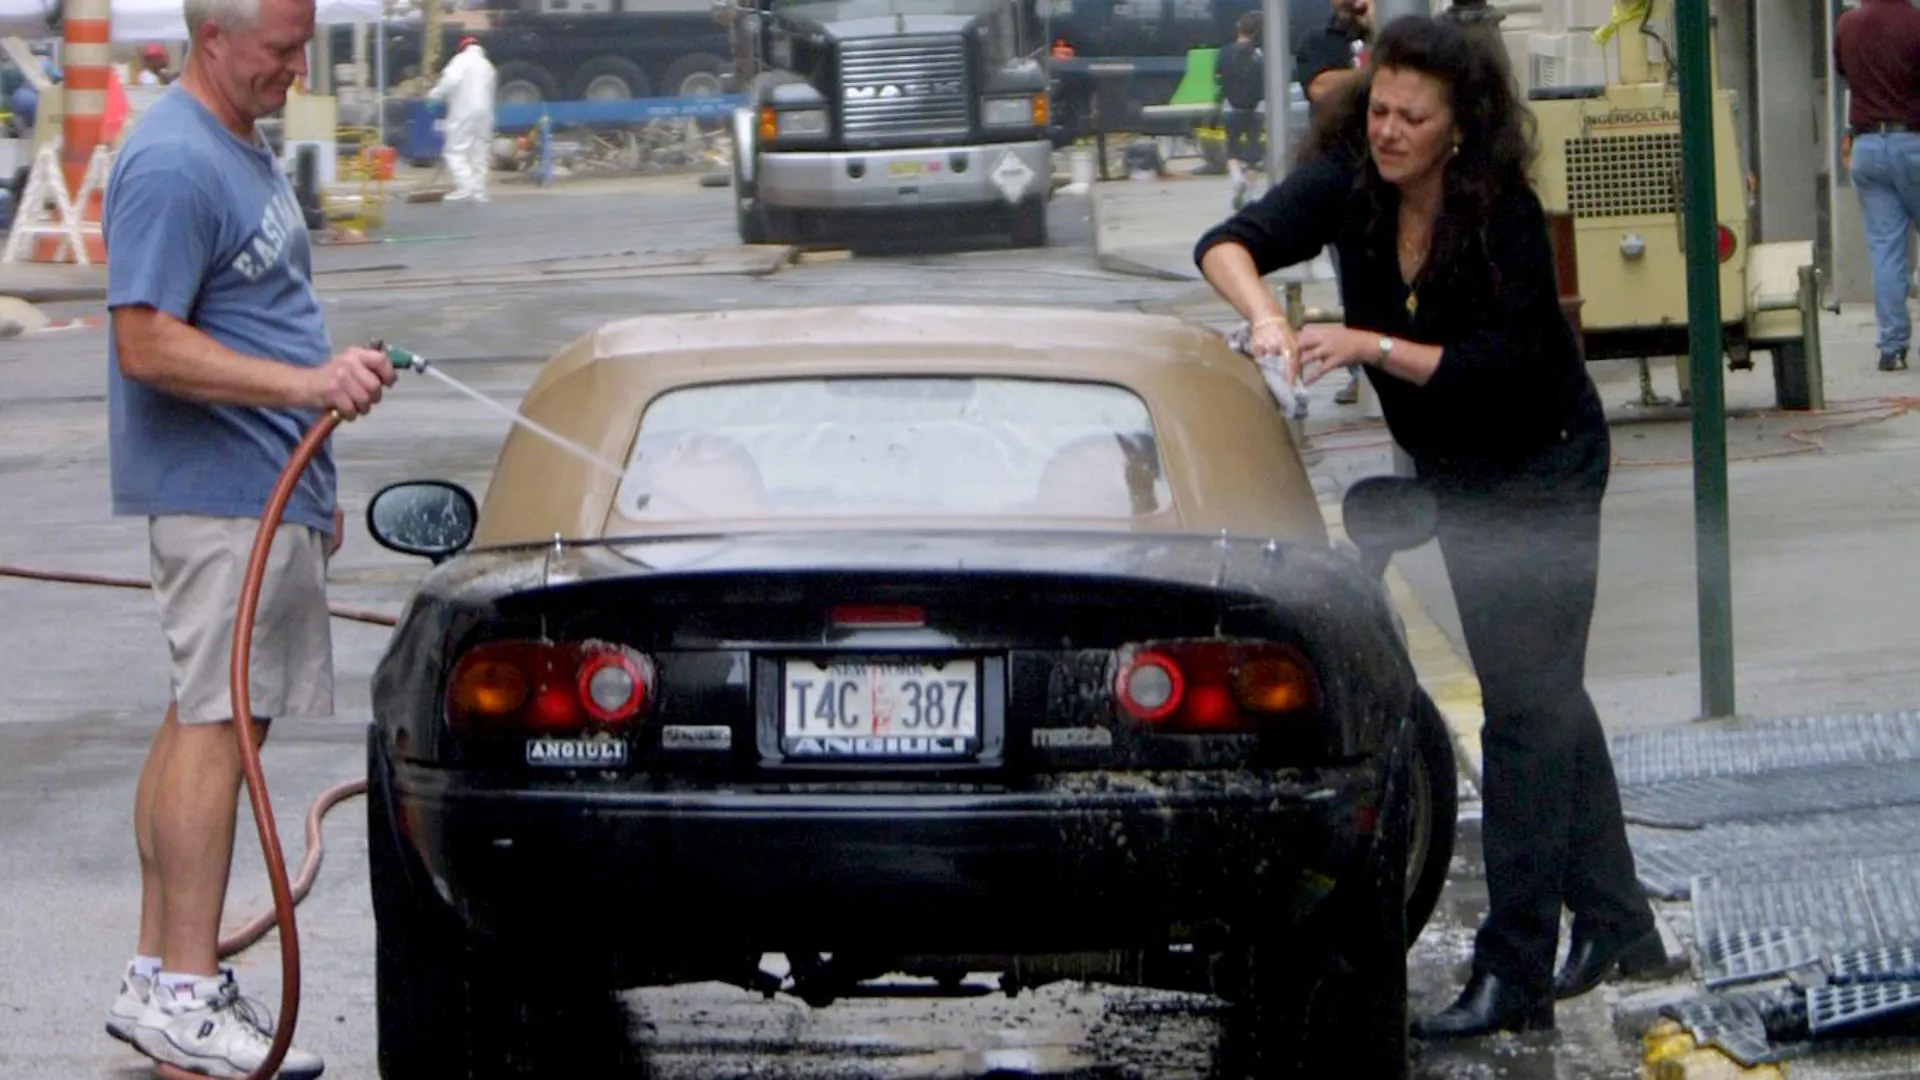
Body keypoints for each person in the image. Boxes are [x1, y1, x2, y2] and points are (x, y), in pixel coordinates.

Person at [1194, 14, 1669, 1039]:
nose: (1390, 130)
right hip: (1457, 470)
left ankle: (1516, 974)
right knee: (1539, 691)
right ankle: (1622, 924)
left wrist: (1369, 342)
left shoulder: (1501, 214)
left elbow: (1502, 366)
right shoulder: (1349, 186)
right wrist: (1270, 319)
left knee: (1523, 714)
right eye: (1379, 108)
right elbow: (1227, 243)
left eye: (1415, 116)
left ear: (1462, 128)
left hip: (1542, 463)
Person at [99, 0, 397, 1073]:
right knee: (214, 728)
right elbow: (142, 342)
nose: (295, 66)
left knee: (211, 724)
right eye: (280, 49)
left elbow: (257, 310)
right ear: (213, 37)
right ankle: (183, 987)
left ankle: (156, 977)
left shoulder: (238, 144)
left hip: (263, 491)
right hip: (220, 495)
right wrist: (307, 387)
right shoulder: (173, 162)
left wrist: (313, 463)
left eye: (302, 42)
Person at [1834, 0, 1920, 372]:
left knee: (1886, 251)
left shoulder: (1847, 25)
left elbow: (1843, 74)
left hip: (1867, 147)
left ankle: (1892, 347)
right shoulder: (1916, 23)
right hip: (1914, 143)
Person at [1295, 0, 1373, 406]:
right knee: (1353, 284)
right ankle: (1361, 372)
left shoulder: (1394, 33)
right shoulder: (1317, 42)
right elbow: (1320, 88)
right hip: (1347, 189)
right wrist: (1377, 73)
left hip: (1397, 182)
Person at [429, 35, 498, 203]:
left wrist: (435, 95)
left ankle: (465, 186)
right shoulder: (488, 66)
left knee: (454, 150)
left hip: (464, 111)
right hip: (485, 113)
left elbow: (450, 80)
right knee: (479, 151)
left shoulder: (460, 60)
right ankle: (478, 191)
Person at [1214, 12, 1265, 210]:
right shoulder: (1259, 54)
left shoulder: (1225, 52)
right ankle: (1249, 196)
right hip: (1255, 108)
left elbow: (1217, 78)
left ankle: (1236, 178)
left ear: (1238, 27)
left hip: (1231, 108)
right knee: (1253, 151)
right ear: (1258, 31)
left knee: (1232, 148)